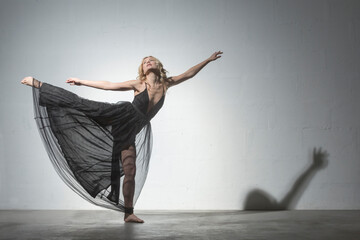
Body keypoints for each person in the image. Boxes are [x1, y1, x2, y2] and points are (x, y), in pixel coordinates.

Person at [20, 51, 223, 223]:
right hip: (121, 116)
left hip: (131, 130)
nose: (148, 62)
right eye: (144, 62)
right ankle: (38, 84)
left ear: (158, 65)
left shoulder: (166, 84)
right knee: (83, 105)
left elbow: (188, 74)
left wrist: (208, 60)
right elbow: (109, 85)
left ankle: (129, 213)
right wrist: (82, 81)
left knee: (130, 171)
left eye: (151, 60)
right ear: (142, 69)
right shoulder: (138, 84)